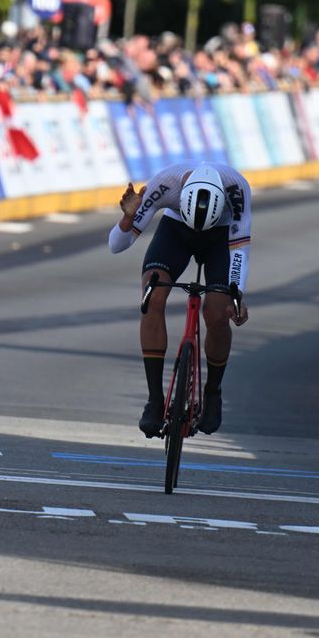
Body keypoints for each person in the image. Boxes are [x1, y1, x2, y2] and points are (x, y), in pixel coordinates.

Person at [109, 164, 250, 437]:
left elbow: (240, 249)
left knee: (218, 314)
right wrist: (127, 219)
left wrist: (237, 294)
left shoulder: (237, 189)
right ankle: (154, 400)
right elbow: (116, 245)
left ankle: (212, 394)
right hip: (176, 231)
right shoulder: (164, 184)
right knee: (152, 296)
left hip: (220, 238)